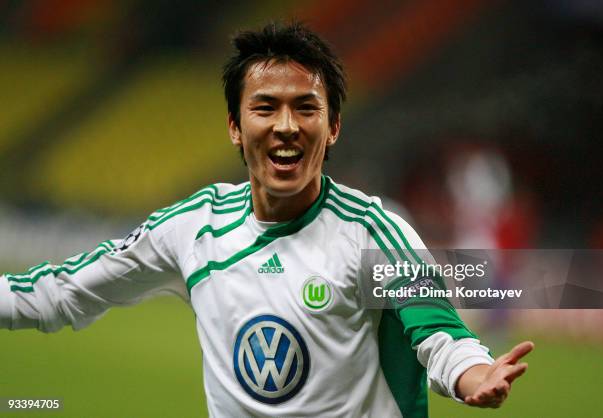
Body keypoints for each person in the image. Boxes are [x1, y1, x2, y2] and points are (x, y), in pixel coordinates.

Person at [0, 22, 533, 417]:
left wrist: (472, 373)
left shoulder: (374, 232)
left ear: (334, 128)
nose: (286, 126)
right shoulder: (193, 229)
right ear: (235, 127)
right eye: (265, 108)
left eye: (306, 108)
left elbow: (437, 332)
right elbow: (60, 291)